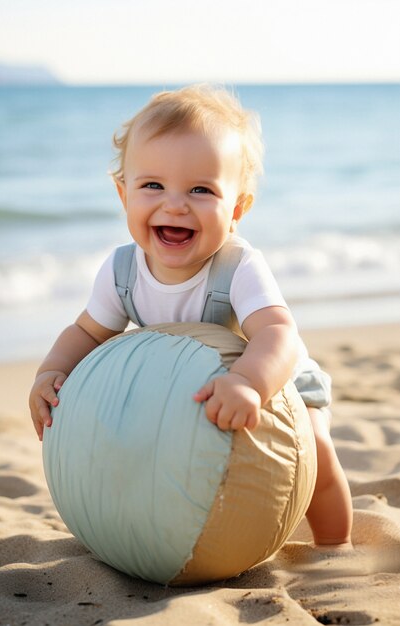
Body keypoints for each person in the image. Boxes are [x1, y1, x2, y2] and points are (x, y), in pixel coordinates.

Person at [29, 84, 352, 549]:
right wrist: (52, 372)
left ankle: (334, 545)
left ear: (237, 208)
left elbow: (279, 334)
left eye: (201, 189)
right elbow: (86, 331)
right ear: (124, 195)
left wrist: (247, 382)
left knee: (317, 451)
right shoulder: (122, 271)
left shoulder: (238, 266)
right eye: (152, 185)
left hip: (278, 380)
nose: (175, 204)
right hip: (189, 395)